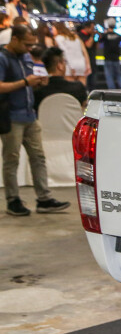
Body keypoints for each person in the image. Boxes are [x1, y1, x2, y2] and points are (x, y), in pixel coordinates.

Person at [0, 25, 70, 216]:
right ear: (14, 39)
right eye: (26, 44)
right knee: (11, 160)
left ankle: (44, 199)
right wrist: (25, 83)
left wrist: (38, 84)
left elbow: (27, 86)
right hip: (11, 117)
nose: (30, 48)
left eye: (32, 45)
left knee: (38, 157)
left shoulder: (25, 57)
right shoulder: (2, 58)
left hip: (30, 116)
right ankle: (13, 201)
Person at [99, 18, 121, 90]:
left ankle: (112, 92)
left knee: (109, 76)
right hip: (116, 59)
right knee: (119, 76)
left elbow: (99, 41)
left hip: (108, 59)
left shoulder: (105, 35)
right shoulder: (118, 36)